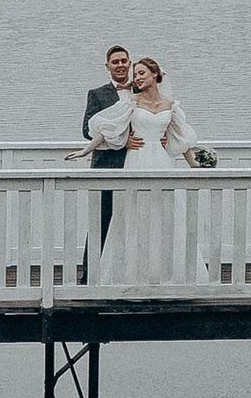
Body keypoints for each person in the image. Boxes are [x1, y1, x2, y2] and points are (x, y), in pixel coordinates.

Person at [89, 56, 207, 290]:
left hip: (161, 162)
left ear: (155, 74)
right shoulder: (131, 101)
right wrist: (85, 151)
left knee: (166, 216)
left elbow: (180, 138)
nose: (137, 77)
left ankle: (169, 273)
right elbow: (109, 128)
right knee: (134, 215)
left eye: (142, 73)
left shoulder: (171, 104)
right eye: (136, 74)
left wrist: (195, 165)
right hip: (137, 161)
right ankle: (132, 275)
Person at [72, 42, 136, 285]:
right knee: (102, 218)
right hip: (107, 165)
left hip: (136, 164)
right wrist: (120, 140)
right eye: (115, 62)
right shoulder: (97, 94)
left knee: (135, 218)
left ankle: (125, 271)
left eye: (124, 61)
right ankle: (90, 274)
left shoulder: (141, 90)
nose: (120, 65)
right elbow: (87, 131)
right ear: (107, 66)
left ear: (130, 63)